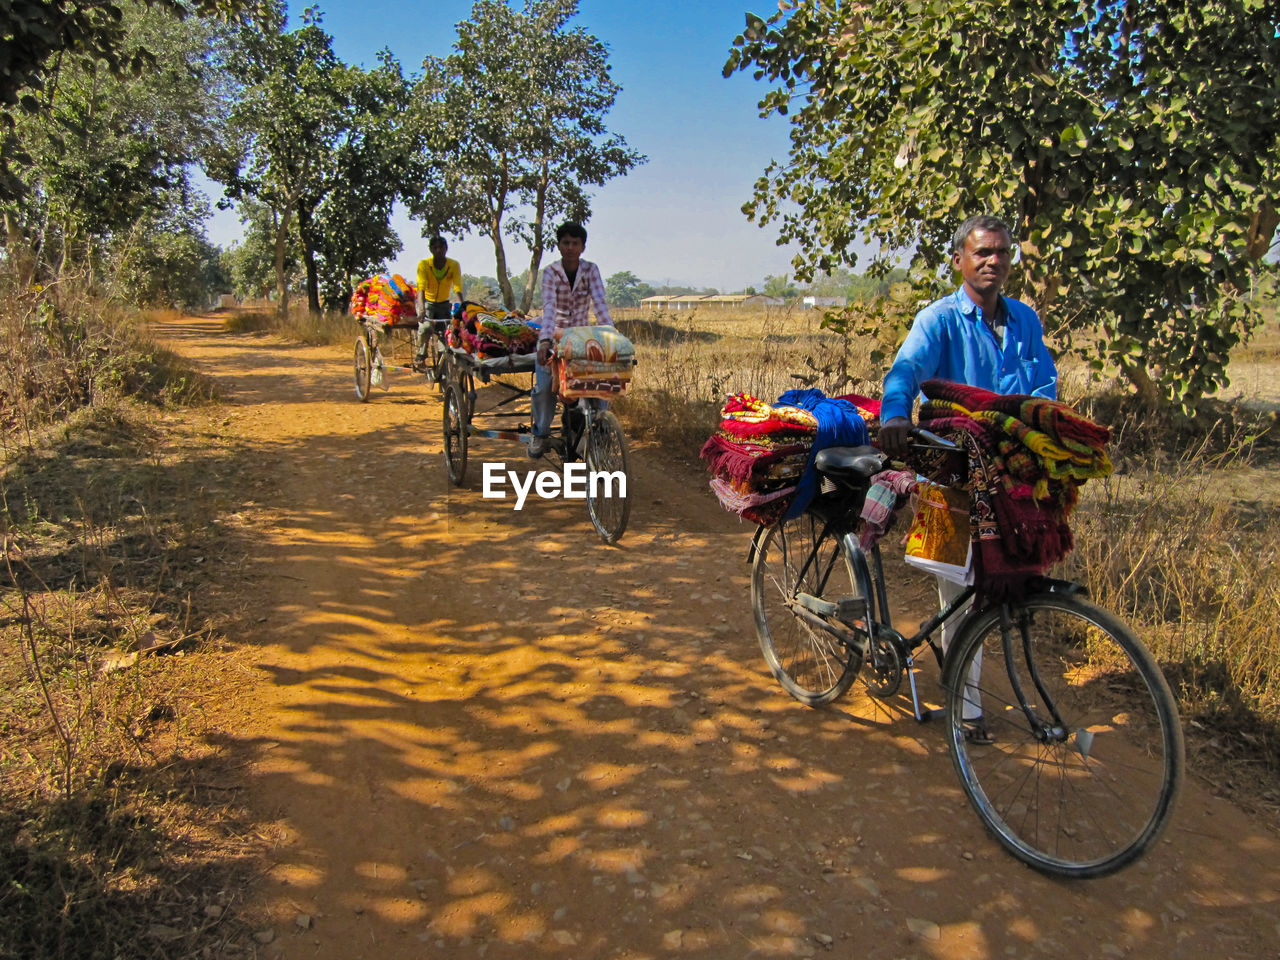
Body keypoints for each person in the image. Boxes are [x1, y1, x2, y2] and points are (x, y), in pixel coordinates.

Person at [879, 214, 1057, 743]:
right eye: (981, 253)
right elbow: (906, 369)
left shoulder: (1024, 321)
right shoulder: (938, 319)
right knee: (956, 585)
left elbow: (1044, 383)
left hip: (1008, 472)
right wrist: (894, 413)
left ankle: (981, 689)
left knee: (1006, 581)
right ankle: (967, 706)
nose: (992, 262)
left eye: (1002, 253)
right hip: (950, 470)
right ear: (960, 259)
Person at [528, 222, 614, 458]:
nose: (570, 247)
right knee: (545, 386)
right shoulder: (551, 272)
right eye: (566, 242)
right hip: (554, 335)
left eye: (575, 243)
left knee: (602, 380)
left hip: (582, 337)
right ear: (559, 245)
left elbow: (600, 305)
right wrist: (544, 341)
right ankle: (541, 433)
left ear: (583, 247)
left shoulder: (591, 270)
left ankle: (601, 426)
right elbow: (549, 308)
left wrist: (612, 336)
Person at [414, 236, 463, 368]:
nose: (438, 250)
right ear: (430, 249)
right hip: (427, 303)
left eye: (441, 247)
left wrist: (463, 307)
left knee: (446, 334)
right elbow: (421, 288)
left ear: (446, 249)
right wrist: (422, 310)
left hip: (444, 304)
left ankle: (443, 364)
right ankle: (421, 355)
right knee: (425, 328)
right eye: (435, 248)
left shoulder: (453, 265)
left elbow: (457, 287)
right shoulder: (424, 265)